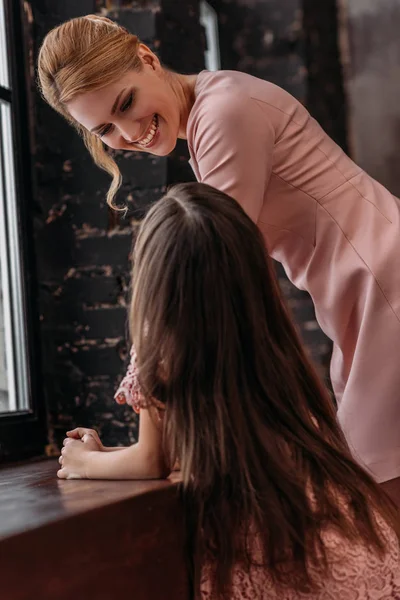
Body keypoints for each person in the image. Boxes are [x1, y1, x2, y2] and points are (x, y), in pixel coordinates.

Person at [37, 15, 400, 494]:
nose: (129, 131)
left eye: (126, 103)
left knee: (376, 502)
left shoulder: (223, 112)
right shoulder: (215, 109)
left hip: (385, 288)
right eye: (106, 127)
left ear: (147, 57)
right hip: (367, 295)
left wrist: (140, 455)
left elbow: (197, 282)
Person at [58, 182, 400, 599]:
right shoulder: (267, 335)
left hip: (283, 558)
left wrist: (85, 461)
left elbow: (151, 459)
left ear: (153, 284)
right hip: (358, 542)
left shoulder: (157, 343)